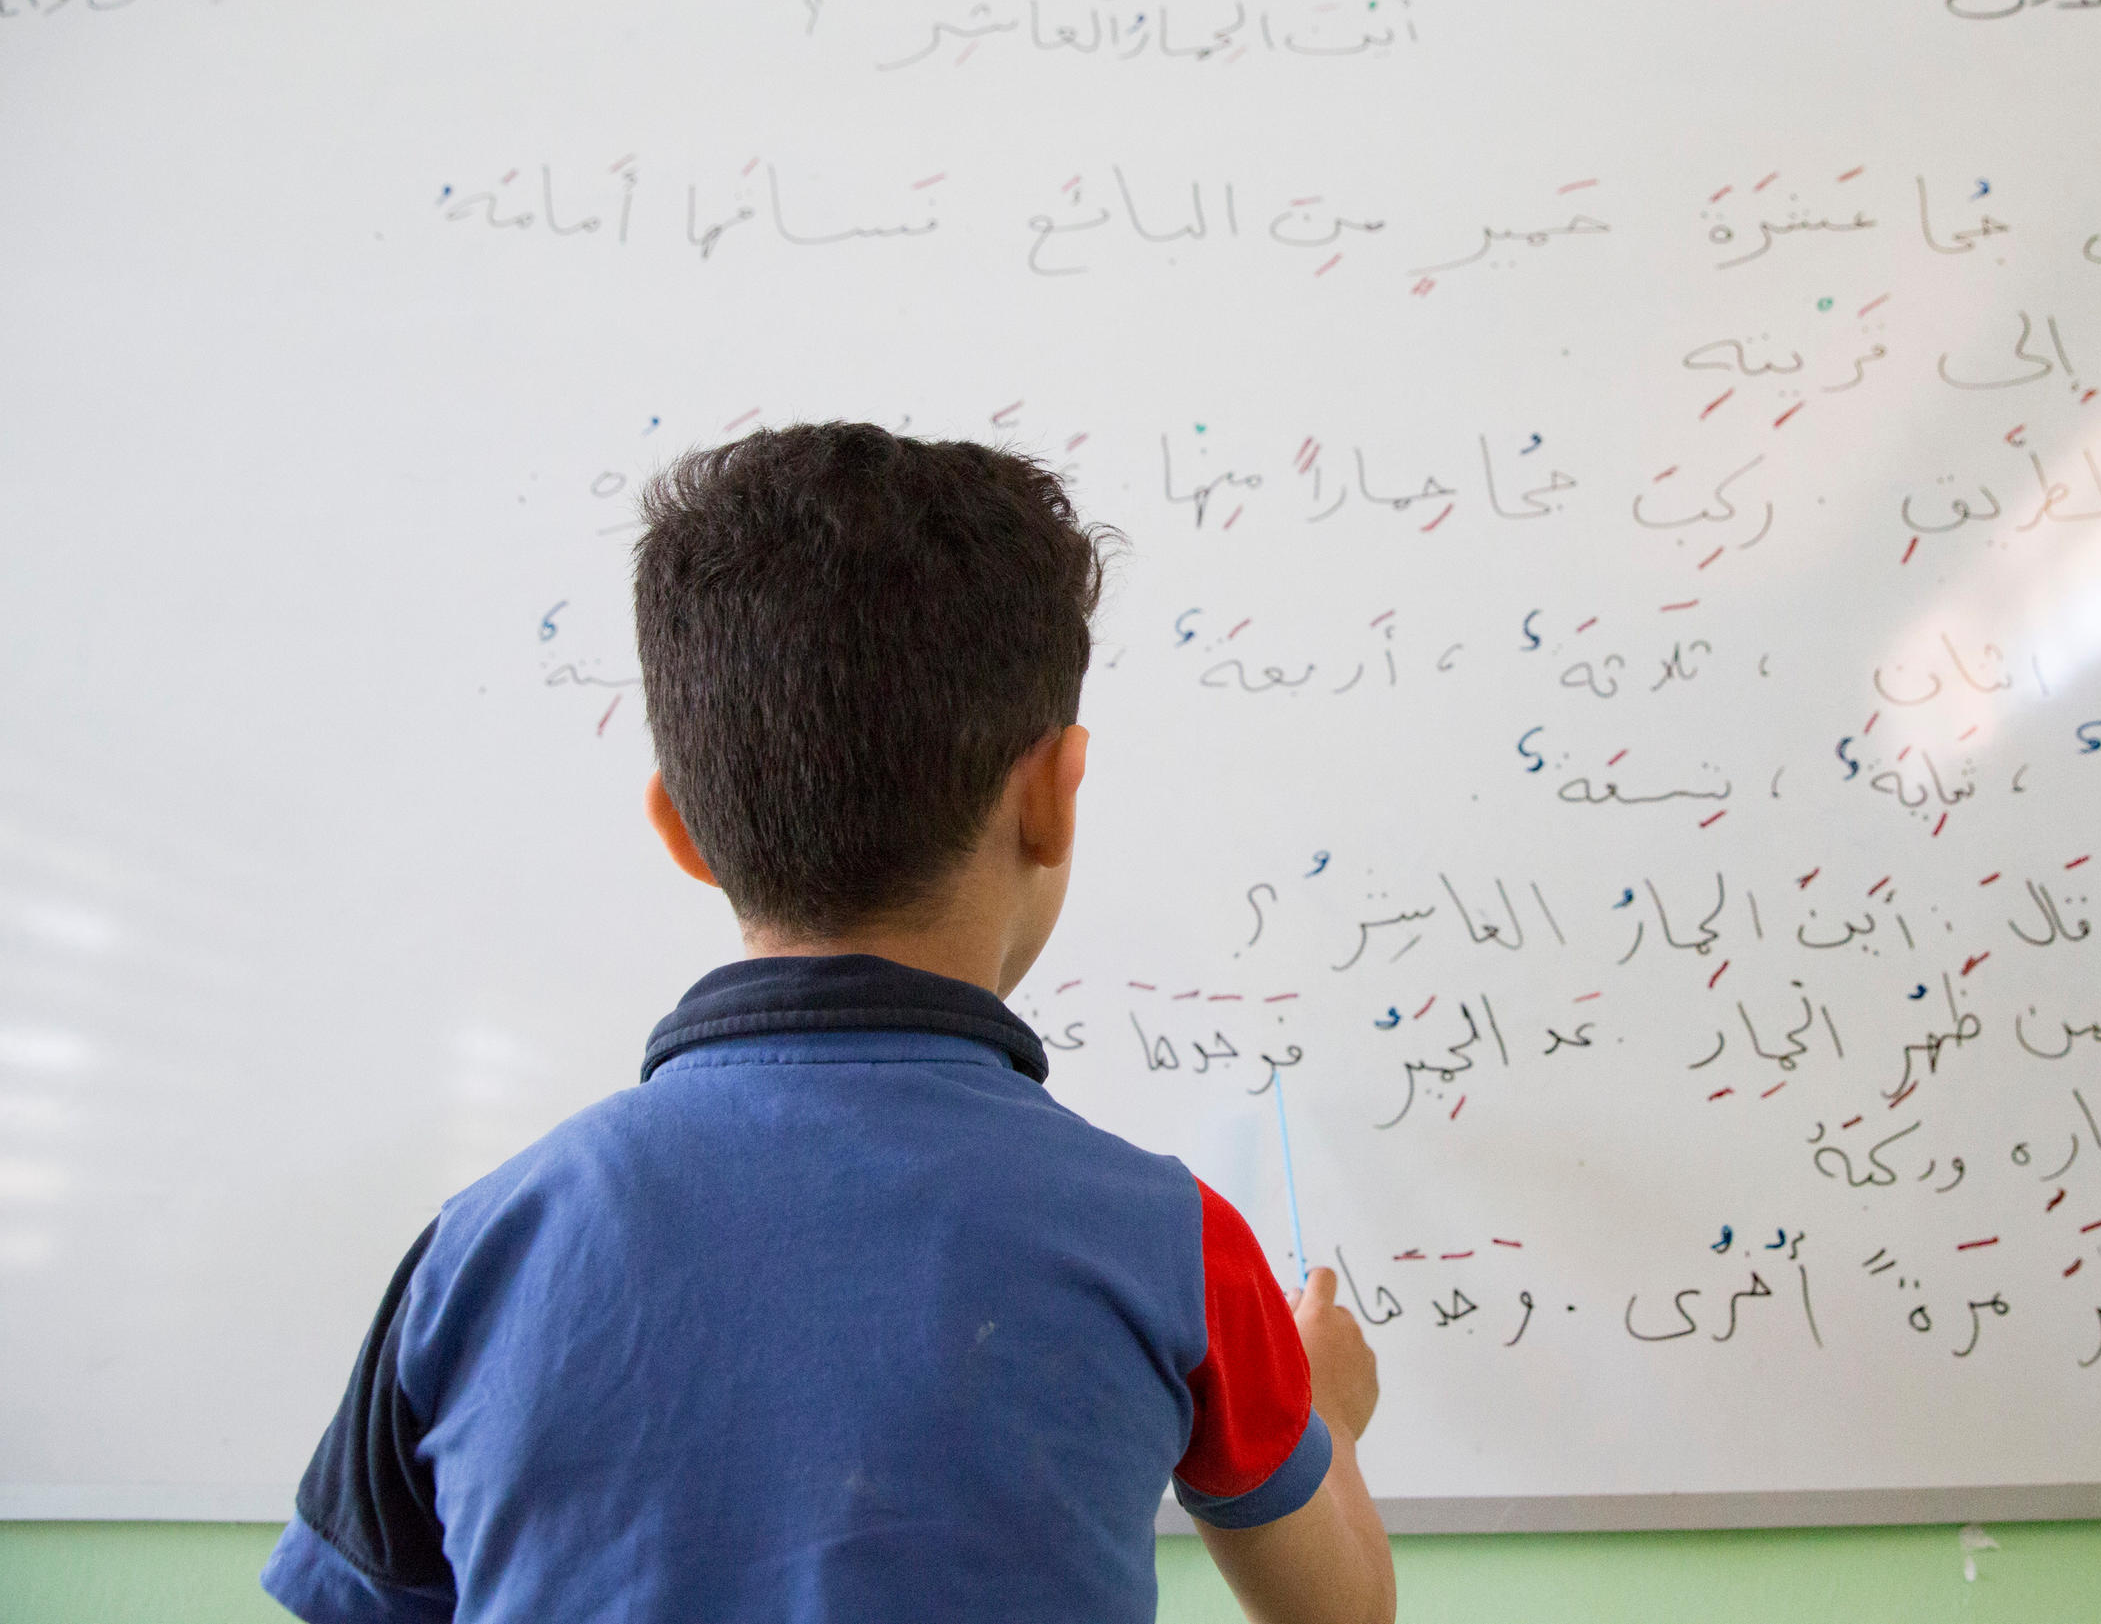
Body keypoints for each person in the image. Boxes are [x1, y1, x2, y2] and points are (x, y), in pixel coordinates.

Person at [260, 423, 1395, 1624]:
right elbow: (1339, 1613)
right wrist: (1329, 1416)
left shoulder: (479, 1249)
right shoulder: (1176, 1244)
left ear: (681, 828)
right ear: (1054, 796)